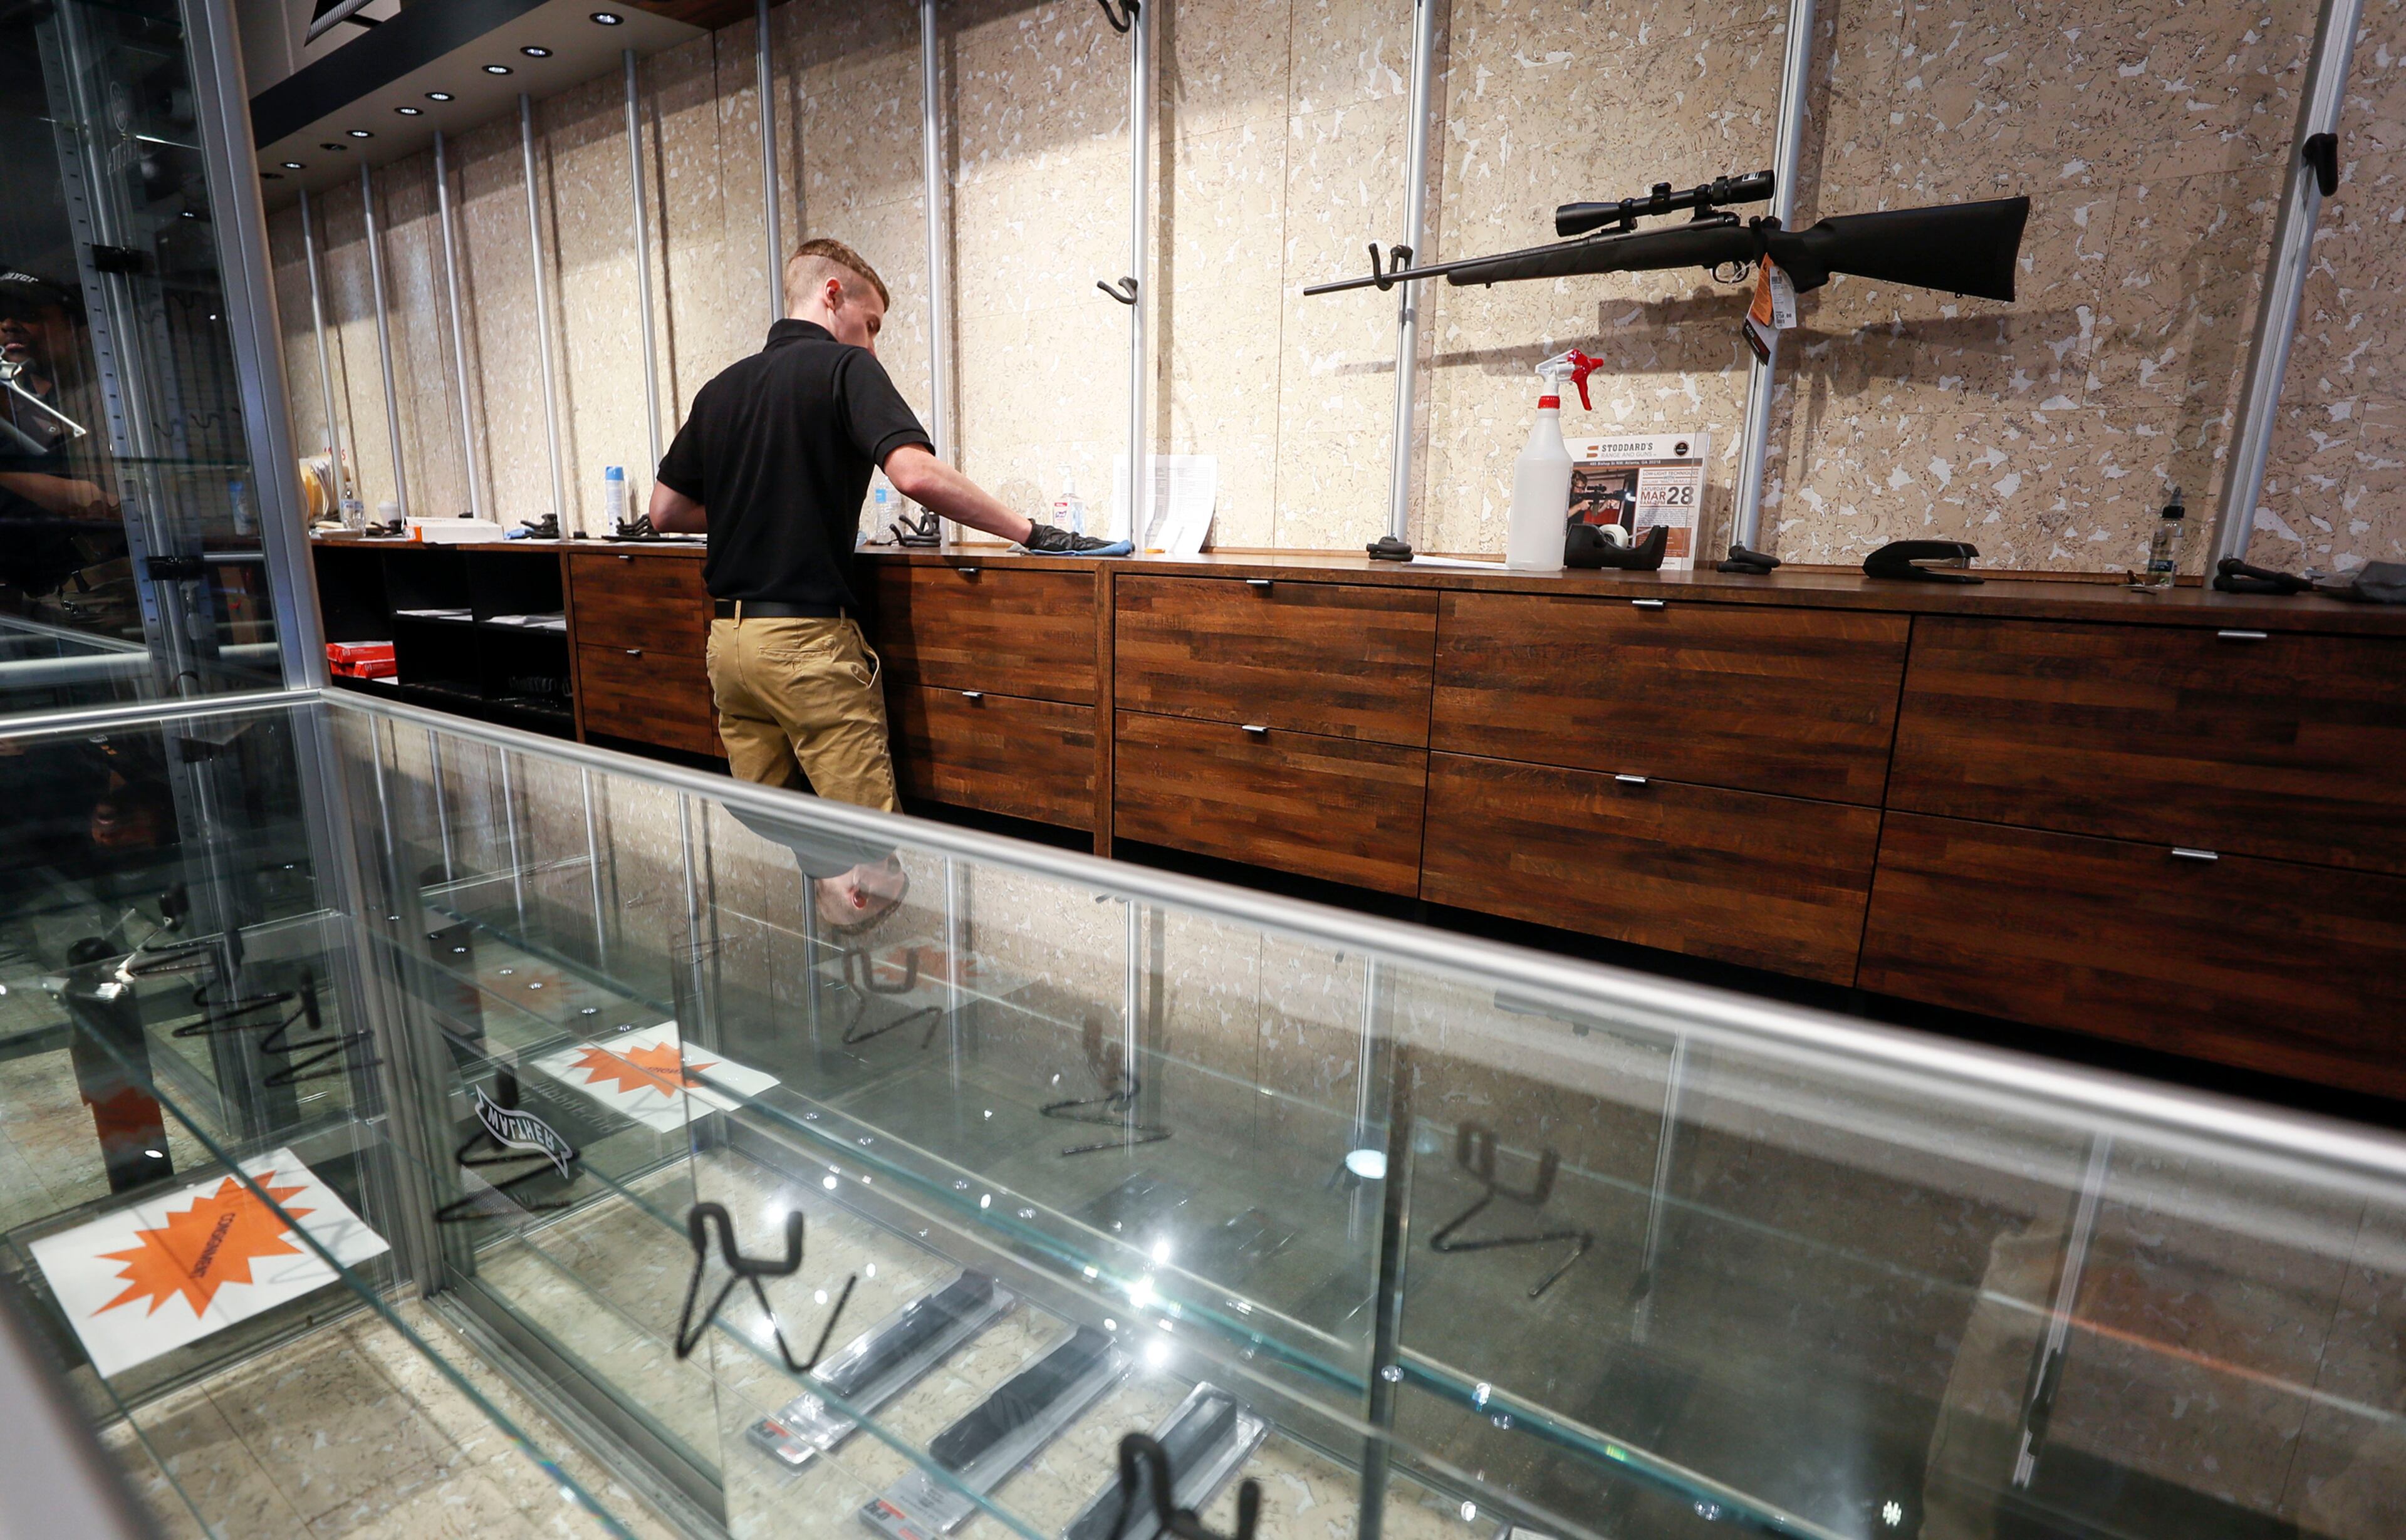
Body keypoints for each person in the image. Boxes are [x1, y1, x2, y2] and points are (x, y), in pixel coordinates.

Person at [647, 237, 1120, 930]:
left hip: (730, 647)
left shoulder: (720, 389)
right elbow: (915, 474)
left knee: (787, 832)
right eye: (870, 325)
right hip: (806, 646)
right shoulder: (845, 368)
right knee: (870, 844)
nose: (871, 345)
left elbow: (665, 511)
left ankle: (826, 941)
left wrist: (764, 504)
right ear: (832, 294)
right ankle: (866, 936)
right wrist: (1030, 532)